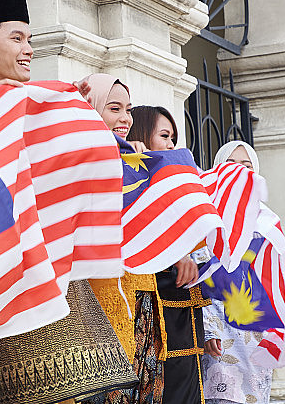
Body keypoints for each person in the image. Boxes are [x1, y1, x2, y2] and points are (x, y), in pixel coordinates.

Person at [0, 0, 137, 404]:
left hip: (61, 281)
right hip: (19, 282)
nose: (29, 49)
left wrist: (70, 111)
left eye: (30, 38)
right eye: (16, 38)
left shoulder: (37, 103)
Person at [82, 75, 167, 404]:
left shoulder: (137, 161)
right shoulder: (82, 160)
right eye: (114, 108)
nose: (125, 118)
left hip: (144, 295)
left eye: (128, 110)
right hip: (101, 301)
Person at [127, 106, 206, 404]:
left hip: (178, 308)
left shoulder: (172, 183)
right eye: (164, 136)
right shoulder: (128, 176)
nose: (171, 146)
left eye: (173, 138)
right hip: (141, 303)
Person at [202, 141, 272, 404]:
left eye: (247, 166)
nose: (240, 173)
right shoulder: (207, 215)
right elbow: (201, 274)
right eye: (231, 165)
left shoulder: (267, 220)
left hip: (256, 332)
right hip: (221, 329)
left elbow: (275, 276)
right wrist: (208, 329)